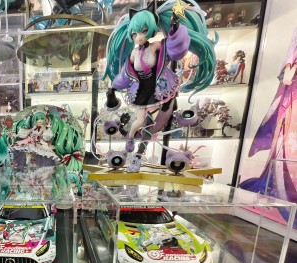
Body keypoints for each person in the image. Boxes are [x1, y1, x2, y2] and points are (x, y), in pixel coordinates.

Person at [104, 0, 215, 172]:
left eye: (143, 31)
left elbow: (175, 48)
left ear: (151, 29)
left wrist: (175, 29)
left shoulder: (157, 46)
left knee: (149, 124)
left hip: (159, 90)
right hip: (141, 91)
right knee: (139, 121)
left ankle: (138, 157)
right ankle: (130, 138)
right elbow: (126, 73)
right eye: (135, 34)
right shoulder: (134, 52)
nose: (139, 37)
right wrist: (114, 87)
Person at [240, 27, 297, 222]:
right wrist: (290, 66)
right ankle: (281, 189)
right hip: (293, 91)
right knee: (287, 140)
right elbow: (292, 52)